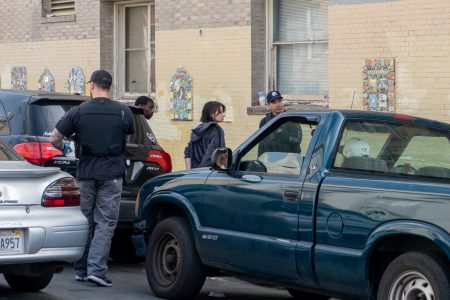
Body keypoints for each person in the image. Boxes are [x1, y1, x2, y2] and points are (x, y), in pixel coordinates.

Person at [49, 70, 135, 287]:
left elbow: (54, 138)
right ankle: (97, 270)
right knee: (105, 222)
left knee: (85, 220)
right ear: (111, 87)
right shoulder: (124, 112)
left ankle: (81, 269)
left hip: (86, 173)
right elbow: (126, 139)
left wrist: (66, 150)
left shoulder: (79, 111)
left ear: (92, 86)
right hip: (112, 174)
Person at [258, 90, 302, 156]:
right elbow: (261, 145)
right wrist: (259, 160)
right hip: (270, 160)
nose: (278, 104)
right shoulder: (264, 121)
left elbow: (297, 139)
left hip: (289, 160)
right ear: (268, 105)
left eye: (279, 101)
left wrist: (279, 131)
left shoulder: (291, 118)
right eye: (274, 102)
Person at [184, 101, 226, 169]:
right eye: (220, 112)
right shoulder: (217, 130)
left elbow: (187, 152)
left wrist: (189, 171)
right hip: (208, 174)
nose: (223, 115)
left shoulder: (197, 129)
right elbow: (212, 155)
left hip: (194, 174)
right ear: (211, 114)